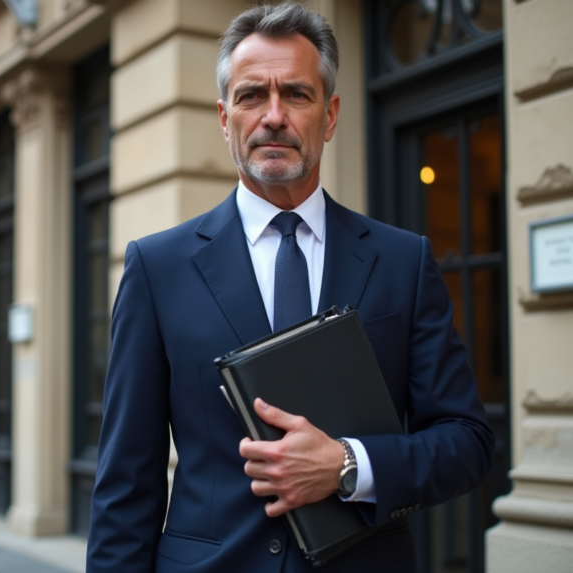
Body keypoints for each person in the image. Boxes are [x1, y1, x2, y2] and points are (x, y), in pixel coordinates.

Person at [86, 3, 494, 572]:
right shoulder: (157, 268)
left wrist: (348, 465)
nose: (273, 116)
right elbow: (126, 485)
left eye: (296, 95)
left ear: (329, 117)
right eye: (252, 95)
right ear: (225, 119)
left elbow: (467, 443)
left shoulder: (403, 261)